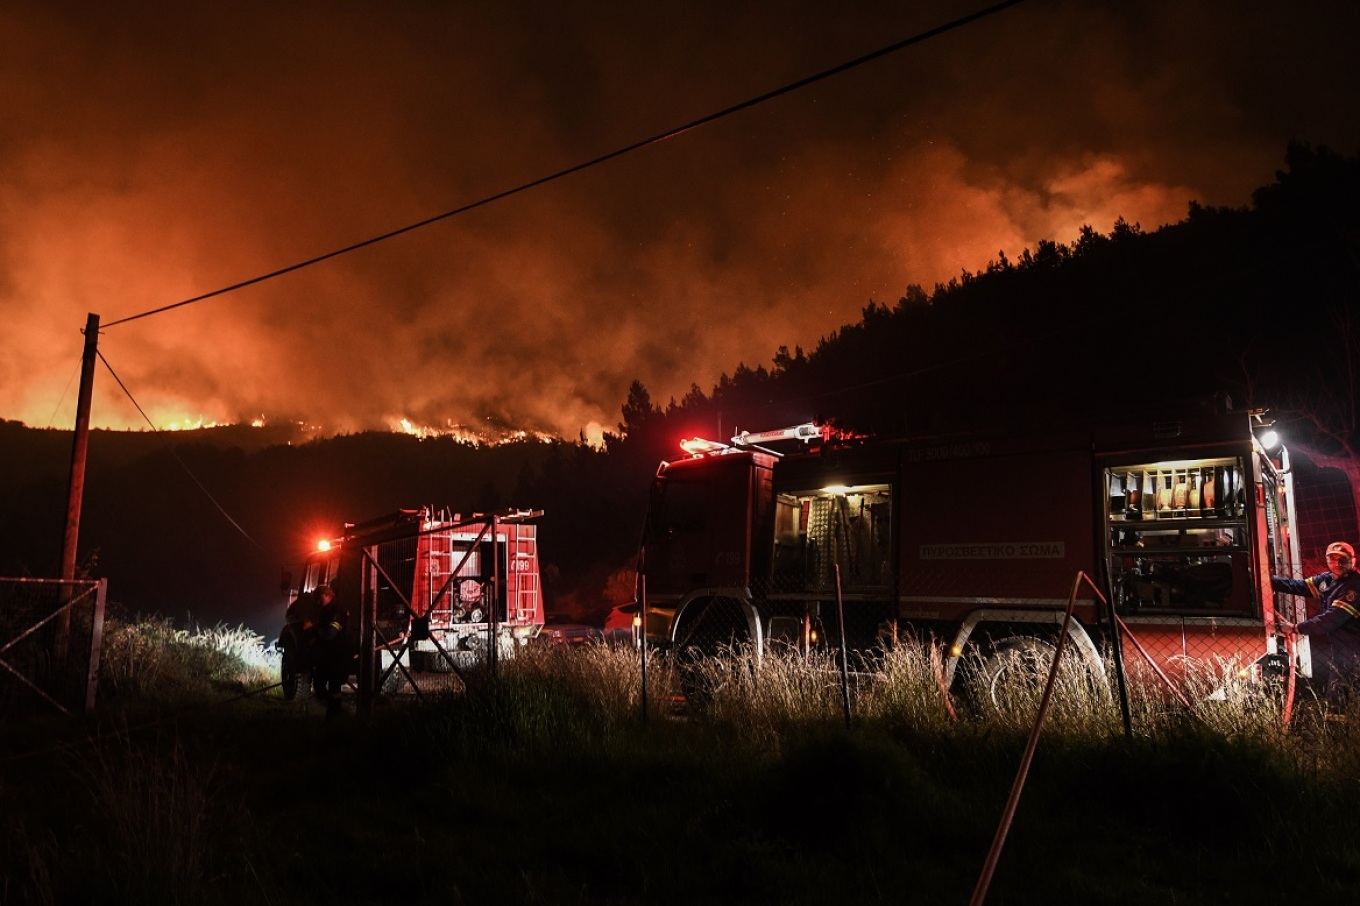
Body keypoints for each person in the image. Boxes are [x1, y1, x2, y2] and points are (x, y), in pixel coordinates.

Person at [1272, 541, 1360, 700]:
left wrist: (1295, 628)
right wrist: (1266, 580)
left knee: (1340, 696)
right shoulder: (1329, 580)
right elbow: (1299, 586)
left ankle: (1341, 723)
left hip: (1353, 652)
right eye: (1333, 559)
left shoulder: (1354, 586)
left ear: (1353, 561)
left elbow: (1331, 619)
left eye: (1343, 560)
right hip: (1343, 651)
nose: (1338, 564)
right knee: (1339, 696)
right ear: (1327, 561)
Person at [310, 586, 350, 717]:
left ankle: (335, 716)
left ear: (328, 596)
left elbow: (329, 635)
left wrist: (314, 628)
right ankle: (336, 713)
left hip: (337, 656)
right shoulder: (325, 611)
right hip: (327, 656)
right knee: (319, 686)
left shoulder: (338, 612)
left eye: (320, 598)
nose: (318, 602)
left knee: (334, 688)